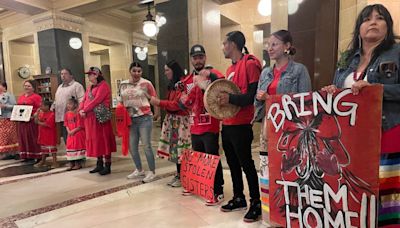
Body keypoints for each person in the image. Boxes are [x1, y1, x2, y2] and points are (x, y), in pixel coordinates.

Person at [322, 4, 399, 227]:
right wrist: (333, 93)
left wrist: (376, 89)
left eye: (380, 18)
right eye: (367, 19)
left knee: (387, 194)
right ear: (359, 27)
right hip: (352, 137)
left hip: (388, 132)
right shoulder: (347, 58)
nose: (373, 22)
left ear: (388, 25)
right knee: (357, 189)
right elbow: (340, 92)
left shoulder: (397, 53)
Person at [218, 31, 262, 222]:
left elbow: (251, 96)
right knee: (233, 164)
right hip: (227, 123)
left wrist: (230, 98)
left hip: (242, 124)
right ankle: (238, 197)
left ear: (233, 44)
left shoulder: (251, 64)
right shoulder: (230, 69)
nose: (223, 47)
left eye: (224, 43)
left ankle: (256, 202)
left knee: (247, 165)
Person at [254, 29, 311, 160]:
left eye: (274, 44)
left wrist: (270, 98)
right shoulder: (265, 73)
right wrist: (260, 98)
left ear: (287, 46)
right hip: (268, 125)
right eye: (268, 45)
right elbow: (256, 103)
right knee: (267, 168)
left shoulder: (299, 70)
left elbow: (305, 103)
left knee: (287, 165)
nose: (270, 48)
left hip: (290, 127)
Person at [179, 44, 225, 206]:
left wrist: (209, 75)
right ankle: (200, 186)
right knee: (198, 158)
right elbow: (186, 101)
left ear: (205, 58)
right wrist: (183, 100)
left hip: (210, 124)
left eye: (200, 57)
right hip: (194, 124)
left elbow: (223, 82)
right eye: (195, 57)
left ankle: (218, 190)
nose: (198, 60)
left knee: (212, 157)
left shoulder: (213, 73)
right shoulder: (188, 79)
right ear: (191, 59)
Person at [148, 60, 191, 188]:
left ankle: (183, 175)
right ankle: (179, 174)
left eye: (167, 70)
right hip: (173, 121)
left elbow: (178, 105)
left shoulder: (183, 84)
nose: (165, 72)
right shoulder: (173, 85)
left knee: (181, 150)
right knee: (174, 150)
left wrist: (159, 102)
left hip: (181, 122)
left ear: (174, 70)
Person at [120, 62, 160, 183]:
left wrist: (157, 113)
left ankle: (152, 171)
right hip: (130, 119)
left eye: (139, 71)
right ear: (130, 71)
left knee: (146, 145)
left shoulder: (146, 83)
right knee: (132, 146)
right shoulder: (123, 84)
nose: (137, 73)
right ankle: (139, 169)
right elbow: (121, 100)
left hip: (144, 117)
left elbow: (154, 98)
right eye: (134, 71)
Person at [79, 67, 116, 176]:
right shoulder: (90, 87)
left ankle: (107, 165)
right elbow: (84, 100)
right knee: (96, 140)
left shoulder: (104, 85)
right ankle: (99, 163)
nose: (89, 76)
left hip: (100, 118)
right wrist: (81, 109)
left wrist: (84, 109)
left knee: (104, 140)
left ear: (96, 75)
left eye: (91, 74)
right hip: (90, 118)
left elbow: (97, 100)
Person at [53, 68, 85, 144]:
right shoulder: (60, 87)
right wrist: (52, 107)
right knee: (65, 135)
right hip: (62, 116)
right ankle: (69, 150)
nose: (63, 76)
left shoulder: (76, 85)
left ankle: (77, 151)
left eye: (65, 73)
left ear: (71, 75)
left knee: (74, 135)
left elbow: (82, 99)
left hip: (73, 117)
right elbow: (56, 100)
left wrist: (79, 110)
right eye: (61, 74)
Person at [17, 80, 42, 162]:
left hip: (32, 121)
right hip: (22, 121)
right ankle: (26, 155)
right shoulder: (21, 97)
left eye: (29, 86)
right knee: (24, 138)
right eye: (25, 86)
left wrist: (34, 115)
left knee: (33, 138)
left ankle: (37, 155)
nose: (26, 87)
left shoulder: (37, 97)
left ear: (33, 88)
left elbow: (40, 108)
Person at [34, 98, 58, 168]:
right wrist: (37, 114)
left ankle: (55, 162)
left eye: (42, 106)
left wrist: (38, 122)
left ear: (47, 106)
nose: (40, 107)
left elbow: (47, 124)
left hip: (49, 134)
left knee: (52, 149)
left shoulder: (52, 114)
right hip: (42, 134)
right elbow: (36, 121)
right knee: (43, 149)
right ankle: (43, 161)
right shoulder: (41, 113)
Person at [64, 96, 86, 170]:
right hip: (70, 134)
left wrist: (74, 131)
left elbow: (81, 125)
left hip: (78, 133)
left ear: (75, 105)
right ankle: (71, 162)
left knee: (77, 146)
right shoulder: (67, 114)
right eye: (67, 104)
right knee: (70, 146)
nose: (68, 105)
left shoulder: (78, 113)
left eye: (70, 104)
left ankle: (78, 163)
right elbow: (66, 123)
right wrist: (69, 131)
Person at [0, 82, 19, 160]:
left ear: (4, 87)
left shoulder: (9, 95)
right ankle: (5, 153)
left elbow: (15, 105)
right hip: (1, 118)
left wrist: (5, 106)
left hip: (8, 117)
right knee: (2, 137)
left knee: (10, 136)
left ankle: (14, 152)